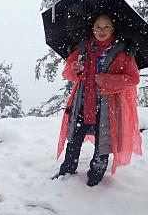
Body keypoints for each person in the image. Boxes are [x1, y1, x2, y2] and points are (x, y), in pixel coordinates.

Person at [54, 14, 142, 186]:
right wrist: (75, 69)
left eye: (106, 27)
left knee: (103, 142)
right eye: (98, 27)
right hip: (82, 103)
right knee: (74, 138)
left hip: (107, 106)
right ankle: (67, 170)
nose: (101, 31)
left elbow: (133, 78)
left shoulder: (123, 51)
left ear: (112, 29)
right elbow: (66, 73)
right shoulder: (83, 48)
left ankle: (96, 175)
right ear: (92, 29)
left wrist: (108, 80)